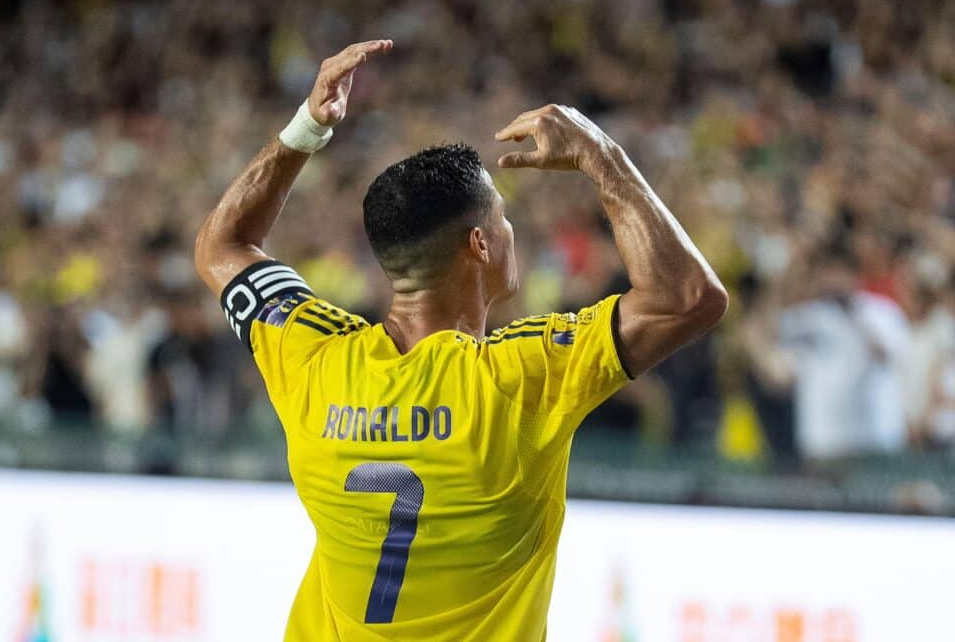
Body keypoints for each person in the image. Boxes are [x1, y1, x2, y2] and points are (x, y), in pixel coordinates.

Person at [194, 40, 727, 641]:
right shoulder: (516, 376)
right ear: (479, 244)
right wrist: (601, 156)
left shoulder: (311, 355)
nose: (511, 231)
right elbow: (688, 298)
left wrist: (307, 128)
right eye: (502, 218)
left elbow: (224, 246)